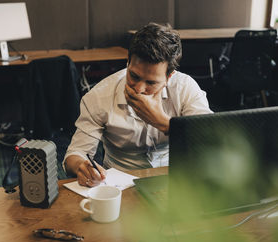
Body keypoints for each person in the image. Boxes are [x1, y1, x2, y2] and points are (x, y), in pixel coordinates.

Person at [63, 22, 212, 187]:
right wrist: (81, 166)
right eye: (134, 76)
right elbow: (74, 155)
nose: (139, 89)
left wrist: (163, 123)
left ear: (169, 77)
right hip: (120, 184)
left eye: (151, 82)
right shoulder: (99, 97)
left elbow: (210, 140)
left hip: (175, 179)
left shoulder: (184, 88)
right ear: (128, 62)